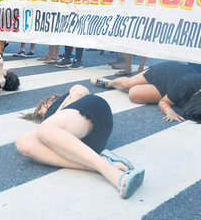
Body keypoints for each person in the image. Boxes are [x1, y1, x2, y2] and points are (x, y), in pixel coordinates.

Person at [16, 84, 145, 199]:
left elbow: (80, 91)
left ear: (51, 100)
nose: (39, 112)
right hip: (85, 145)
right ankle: (98, 164)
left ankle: (112, 173)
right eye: (39, 114)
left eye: (41, 107)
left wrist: (54, 114)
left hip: (93, 111)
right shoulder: (49, 124)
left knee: (45, 129)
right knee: (23, 143)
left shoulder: (65, 99)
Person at [91, 61, 201, 126]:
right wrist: (169, 111)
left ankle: (150, 88)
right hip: (165, 72)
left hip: (171, 87)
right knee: (127, 85)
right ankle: (109, 83)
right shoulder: (186, 85)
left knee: (134, 94)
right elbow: (164, 102)